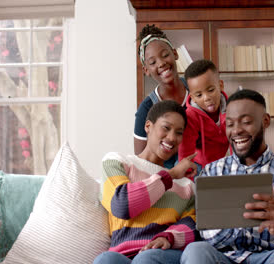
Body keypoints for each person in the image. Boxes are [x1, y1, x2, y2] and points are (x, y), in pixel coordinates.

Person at [181, 90, 274, 264]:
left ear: (265, 121)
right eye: (230, 124)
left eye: (246, 122)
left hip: (273, 257)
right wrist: (243, 226)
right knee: (196, 250)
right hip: (225, 258)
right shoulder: (211, 173)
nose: (237, 131)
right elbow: (206, 232)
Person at [94, 100, 198, 264]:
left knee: (147, 258)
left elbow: (192, 224)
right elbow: (122, 205)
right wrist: (170, 176)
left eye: (179, 132)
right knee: (105, 259)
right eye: (166, 128)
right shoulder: (117, 161)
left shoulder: (187, 186)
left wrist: (168, 237)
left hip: (162, 254)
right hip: (122, 256)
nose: (172, 137)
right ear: (148, 126)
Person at [134, 24, 189, 169]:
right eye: (153, 62)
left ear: (175, 54)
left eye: (165, 55)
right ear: (146, 70)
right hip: (167, 181)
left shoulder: (197, 91)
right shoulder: (146, 110)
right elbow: (141, 165)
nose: (161, 63)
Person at [178, 59, 229, 174]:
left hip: (224, 163)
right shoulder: (190, 117)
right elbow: (185, 154)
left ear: (220, 85)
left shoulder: (232, 108)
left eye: (210, 90)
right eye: (199, 95)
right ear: (193, 97)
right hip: (198, 166)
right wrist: (188, 181)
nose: (206, 98)